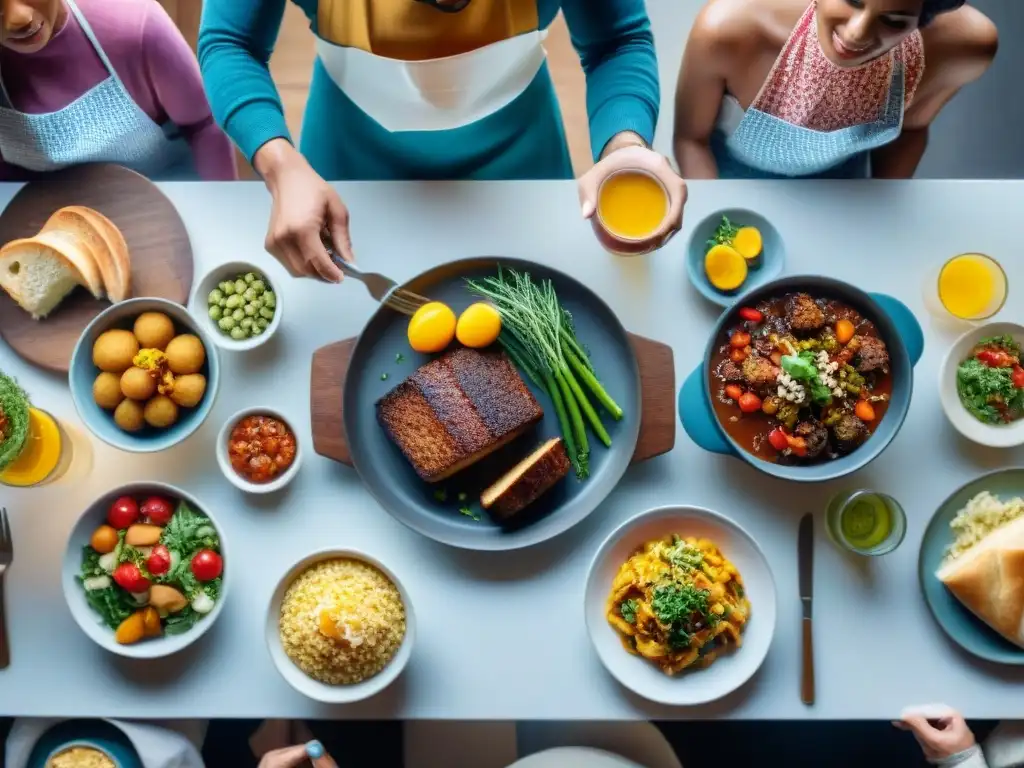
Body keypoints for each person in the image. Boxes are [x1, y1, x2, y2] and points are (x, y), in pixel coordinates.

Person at [197, 0, 686, 282]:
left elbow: (616, 40)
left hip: (520, 152)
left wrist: (624, 146)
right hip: (347, 159)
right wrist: (280, 165)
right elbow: (230, 42)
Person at [673, 0, 998, 180]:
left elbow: (912, 129)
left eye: (894, 21)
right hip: (733, 184)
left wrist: (877, 219)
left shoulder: (964, 47)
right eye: (852, 0)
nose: (857, 33)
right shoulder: (728, 29)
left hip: (846, 193)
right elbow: (691, 140)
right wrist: (716, 226)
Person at [0, 0, 237, 181]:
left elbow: (205, 127)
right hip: (39, 218)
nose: (19, 19)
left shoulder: (134, 25)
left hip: (165, 197)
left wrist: (220, 211)